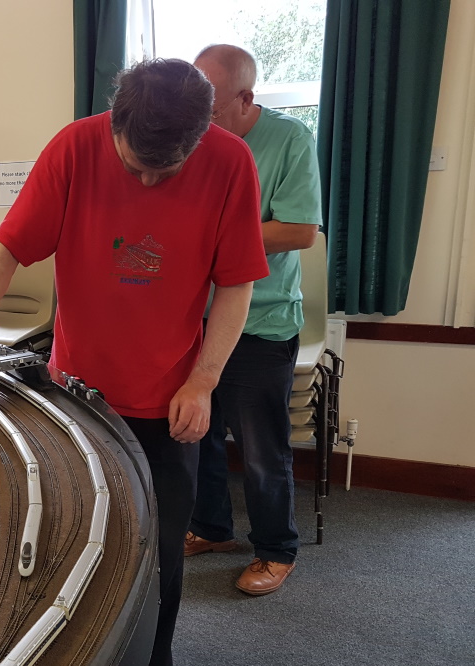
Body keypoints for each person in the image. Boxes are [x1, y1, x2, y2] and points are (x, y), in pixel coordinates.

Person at [0, 59, 268, 666]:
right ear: (115, 121)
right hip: (78, 397)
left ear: (201, 135)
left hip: (169, 404)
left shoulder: (231, 163)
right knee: (70, 540)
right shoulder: (74, 147)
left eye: (166, 170)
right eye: (136, 166)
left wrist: (203, 381)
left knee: (158, 559)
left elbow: (237, 284)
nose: (149, 182)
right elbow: (6, 248)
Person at [187, 45, 323, 596]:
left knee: (263, 450)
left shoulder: (290, 139)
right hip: (195, 320)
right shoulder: (193, 139)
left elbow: (300, 230)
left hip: (262, 323)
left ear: (246, 98)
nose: (200, 122)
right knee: (197, 435)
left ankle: (276, 549)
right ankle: (211, 529)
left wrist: (213, 235)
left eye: (212, 109)